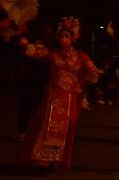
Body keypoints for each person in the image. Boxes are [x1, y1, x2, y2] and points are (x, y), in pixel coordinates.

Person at [15, 17, 100, 171]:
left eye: (67, 36)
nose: (63, 39)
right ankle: (43, 159)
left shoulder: (81, 56)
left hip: (70, 97)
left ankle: (59, 160)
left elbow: (93, 71)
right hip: (53, 96)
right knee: (47, 127)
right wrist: (20, 36)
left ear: (73, 37)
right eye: (61, 36)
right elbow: (34, 52)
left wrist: (83, 81)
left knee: (66, 128)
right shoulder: (53, 54)